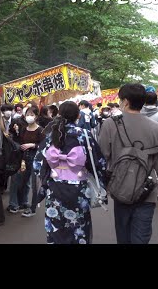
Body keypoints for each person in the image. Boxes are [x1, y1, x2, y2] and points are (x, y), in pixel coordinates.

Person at [98, 83, 158, 244]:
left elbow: (101, 156)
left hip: (120, 189)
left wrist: (102, 188)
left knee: (123, 235)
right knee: (141, 237)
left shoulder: (110, 124)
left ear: (125, 101)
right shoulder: (157, 128)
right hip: (147, 191)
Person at [32, 101, 108, 244]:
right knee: (79, 226)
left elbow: (37, 164)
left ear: (59, 115)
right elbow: (99, 163)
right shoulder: (84, 135)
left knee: (56, 225)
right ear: (78, 116)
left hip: (55, 187)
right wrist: (103, 183)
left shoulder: (51, 136)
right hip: (78, 189)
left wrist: (50, 175)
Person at [7, 105, 45, 217]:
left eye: (32, 115)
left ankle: (32, 208)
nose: (29, 117)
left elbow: (44, 146)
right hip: (23, 157)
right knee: (20, 180)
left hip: (35, 158)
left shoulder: (40, 130)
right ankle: (21, 203)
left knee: (34, 184)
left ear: (36, 116)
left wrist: (33, 145)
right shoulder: (24, 129)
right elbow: (20, 141)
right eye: (28, 114)